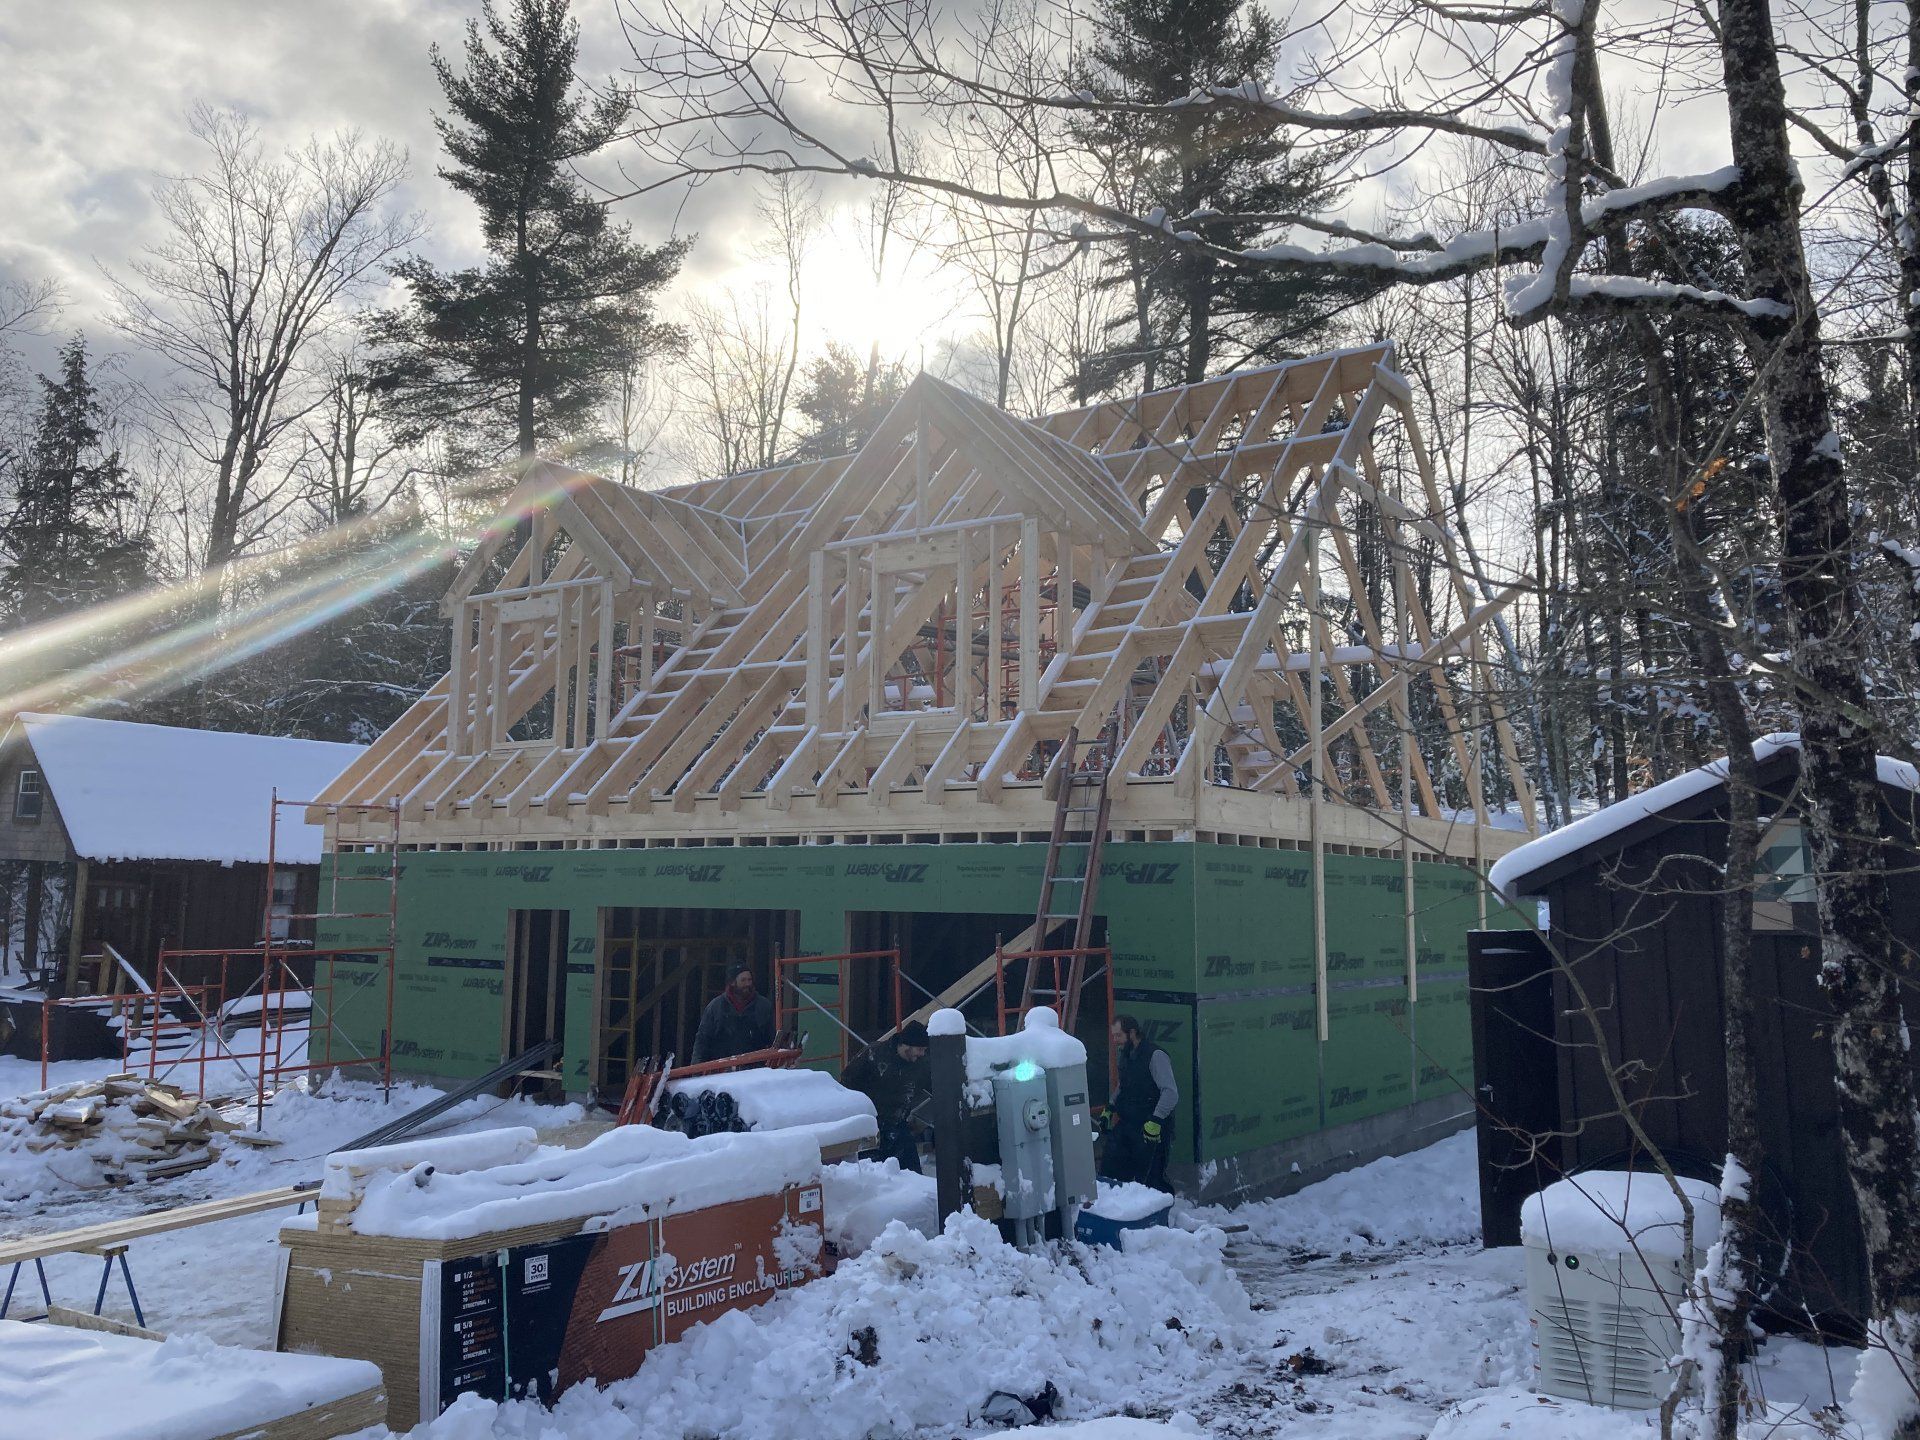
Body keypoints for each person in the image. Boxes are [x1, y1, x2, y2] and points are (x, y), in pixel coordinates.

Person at [1100, 1014, 1178, 1192]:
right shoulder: (1127, 1054)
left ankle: (1157, 1216)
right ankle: (1117, 1211)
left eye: (1118, 1035)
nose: (1115, 1040)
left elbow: (1170, 1093)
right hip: (1128, 1123)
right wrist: (1110, 1108)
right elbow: (1123, 1085)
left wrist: (1156, 1120)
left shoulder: (1155, 1055)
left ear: (1132, 1032)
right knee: (1111, 1169)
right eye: (1113, 1036)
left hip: (1150, 1128)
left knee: (1152, 1181)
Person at [842, 1021, 931, 1173]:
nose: (922, 1054)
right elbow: (847, 1081)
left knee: (914, 1175)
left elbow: (933, 1084)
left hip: (898, 1125)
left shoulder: (920, 1064)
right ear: (906, 1045)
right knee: (873, 1175)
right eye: (920, 1049)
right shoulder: (875, 1054)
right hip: (871, 1126)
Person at [691, 966, 774, 1063]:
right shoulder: (716, 1006)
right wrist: (696, 1067)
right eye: (743, 980)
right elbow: (702, 1039)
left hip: (753, 1070)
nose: (747, 984)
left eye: (749, 980)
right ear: (732, 983)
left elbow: (772, 1038)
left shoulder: (764, 1006)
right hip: (721, 1069)